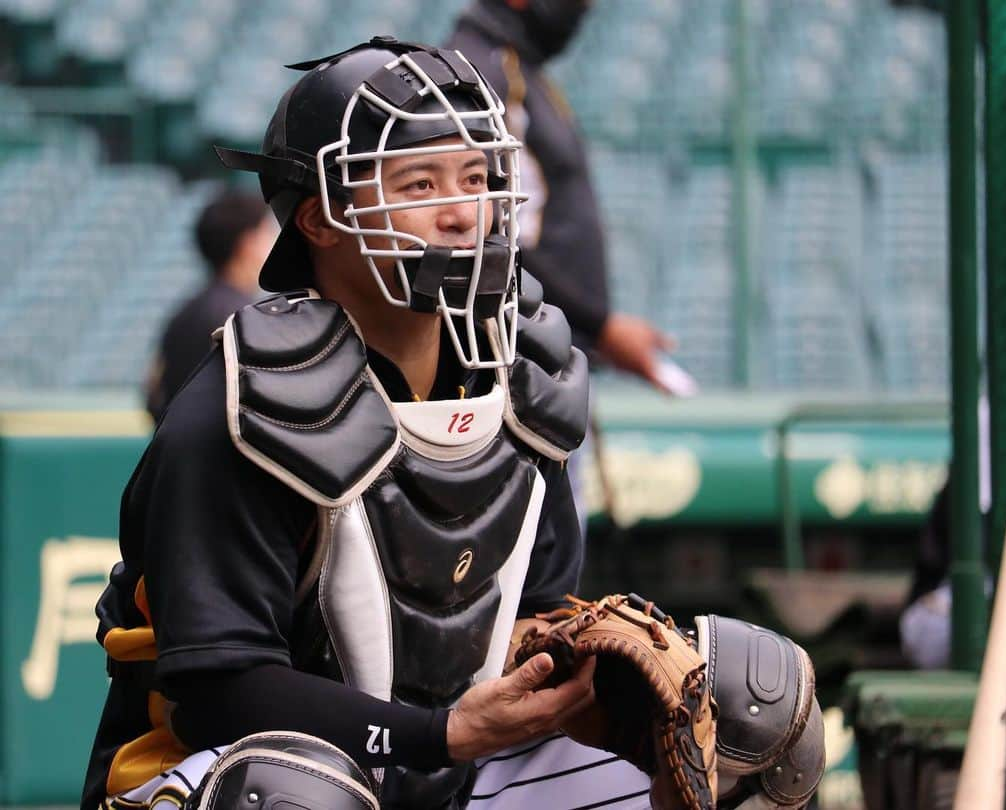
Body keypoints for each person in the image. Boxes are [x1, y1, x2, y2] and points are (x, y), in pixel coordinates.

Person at [82, 37, 822, 810]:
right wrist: (439, 736)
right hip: (219, 770)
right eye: (418, 183)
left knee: (747, 717)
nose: (461, 212)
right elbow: (217, 694)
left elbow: (525, 614)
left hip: (452, 761)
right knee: (291, 795)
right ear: (320, 218)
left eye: (477, 177)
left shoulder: (525, 375)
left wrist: (582, 672)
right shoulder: (242, 404)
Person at [445, 0, 677, 390]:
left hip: (543, 352)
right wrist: (598, 324)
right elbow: (492, 229)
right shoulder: (486, 71)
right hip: (514, 361)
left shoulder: (517, 68)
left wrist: (591, 328)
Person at [144, 189, 277, 422]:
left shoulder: (183, 314)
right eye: (267, 234)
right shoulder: (243, 319)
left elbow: (153, 396)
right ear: (248, 244)